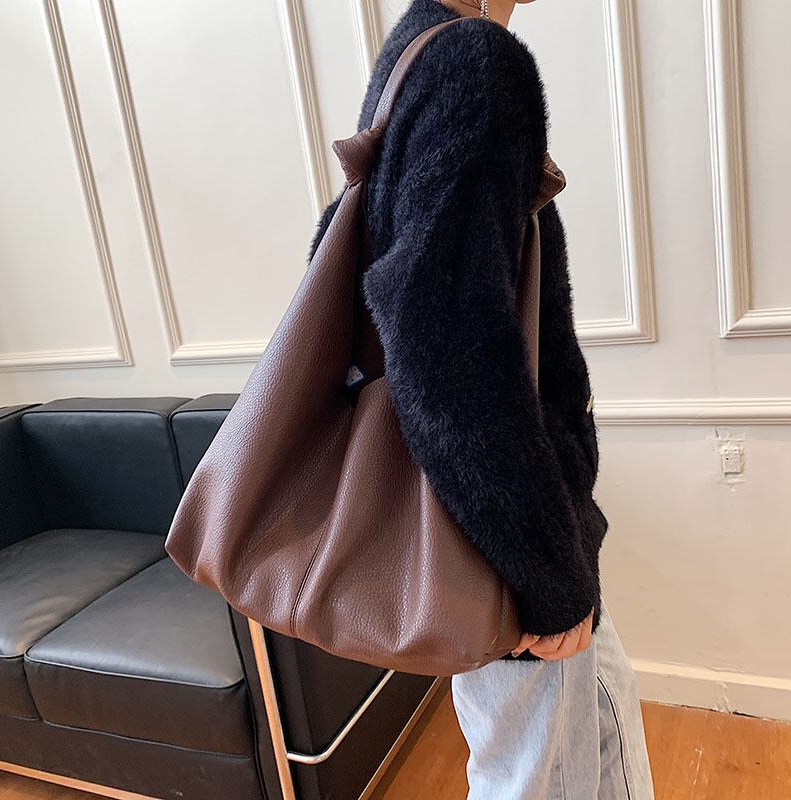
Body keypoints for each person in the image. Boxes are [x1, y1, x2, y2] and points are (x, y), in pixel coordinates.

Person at [307, 0, 656, 796]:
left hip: (494, 518)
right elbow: (445, 342)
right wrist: (548, 576)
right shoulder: (474, 63)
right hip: (507, 536)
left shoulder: (416, 56)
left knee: (593, 732)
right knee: (537, 777)